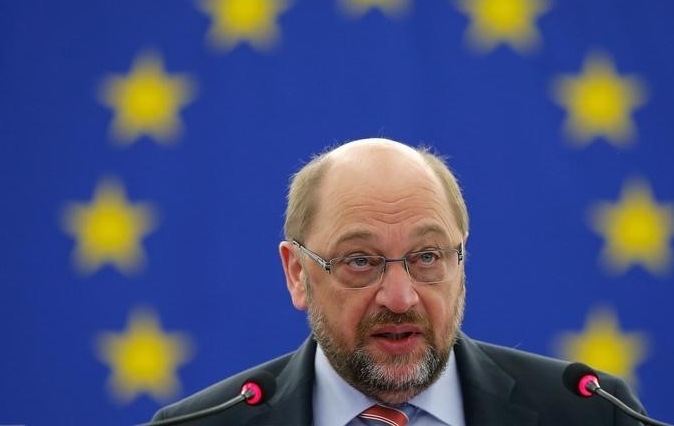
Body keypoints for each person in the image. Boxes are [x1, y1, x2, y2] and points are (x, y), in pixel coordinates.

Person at [153, 138, 646, 425]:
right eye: (360, 261)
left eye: (427, 256)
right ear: (297, 273)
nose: (399, 297)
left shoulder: (592, 415)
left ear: (461, 259)